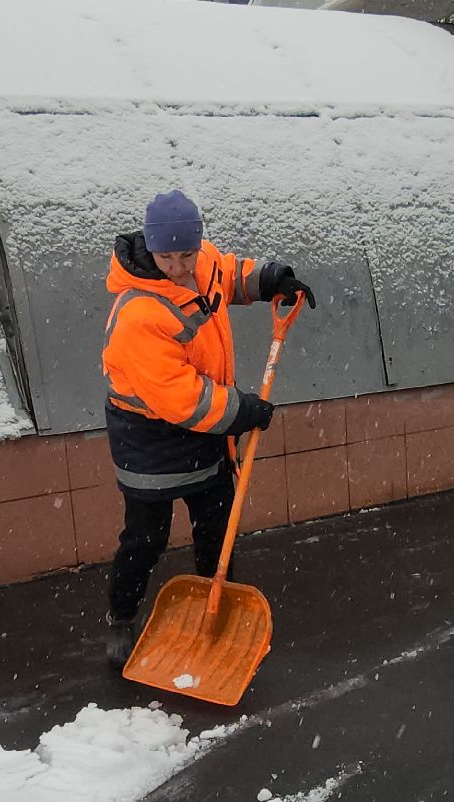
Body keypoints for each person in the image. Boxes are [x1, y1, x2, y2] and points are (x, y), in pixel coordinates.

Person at [100, 190, 315, 667]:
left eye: (186, 254)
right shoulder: (138, 312)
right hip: (149, 436)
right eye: (166, 257)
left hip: (206, 430)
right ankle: (121, 617)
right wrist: (243, 411)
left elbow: (229, 274)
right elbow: (182, 398)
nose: (178, 267)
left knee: (218, 526)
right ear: (151, 250)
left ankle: (216, 614)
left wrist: (270, 279)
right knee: (145, 537)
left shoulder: (202, 262)